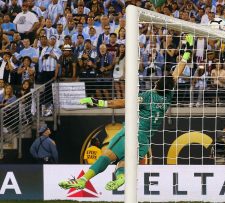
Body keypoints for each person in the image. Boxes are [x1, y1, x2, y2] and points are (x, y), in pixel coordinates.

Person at [58, 34, 194, 191]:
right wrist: (188, 51)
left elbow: (121, 103)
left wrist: (98, 102)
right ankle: (121, 177)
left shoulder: (148, 96)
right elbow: (178, 70)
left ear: (157, 84)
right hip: (144, 143)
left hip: (132, 134)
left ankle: (82, 180)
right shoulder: (168, 96)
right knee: (122, 163)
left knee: (106, 156)